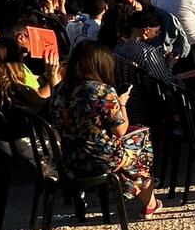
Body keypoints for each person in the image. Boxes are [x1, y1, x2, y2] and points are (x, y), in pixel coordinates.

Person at [52, 40, 161, 216]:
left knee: (128, 154)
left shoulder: (59, 90)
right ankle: (143, 193)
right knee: (141, 137)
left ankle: (144, 198)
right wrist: (122, 104)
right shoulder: (102, 91)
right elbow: (120, 130)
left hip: (71, 159)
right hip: (102, 160)